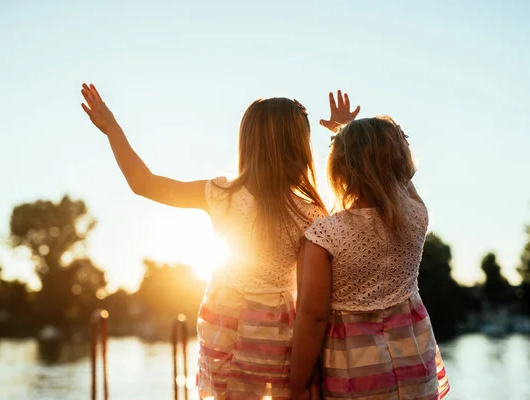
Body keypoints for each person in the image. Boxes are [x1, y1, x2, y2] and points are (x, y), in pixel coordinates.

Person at [80, 83, 327, 399]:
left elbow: (144, 184)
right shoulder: (311, 211)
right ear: (301, 146)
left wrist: (112, 129)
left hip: (224, 324)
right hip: (278, 333)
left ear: (248, 142)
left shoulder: (222, 194)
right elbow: (312, 299)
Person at [291, 93, 450, 399]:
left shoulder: (325, 235)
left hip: (357, 371)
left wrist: (298, 385)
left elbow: (313, 317)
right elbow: (402, 181)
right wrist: (348, 128)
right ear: (402, 163)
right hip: (414, 362)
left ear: (338, 168)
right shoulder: (416, 217)